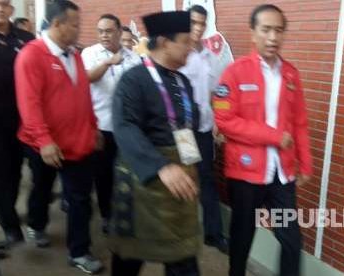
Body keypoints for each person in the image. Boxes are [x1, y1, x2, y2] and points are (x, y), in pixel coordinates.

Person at [213, 4, 313, 276]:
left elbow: (300, 123)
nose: (273, 37)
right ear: (253, 33)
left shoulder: (291, 74)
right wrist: (272, 136)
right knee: (243, 235)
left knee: (291, 239)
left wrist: (305, 164)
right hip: (246, 174)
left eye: (278, 30)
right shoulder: (235, 73)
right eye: (266, 29)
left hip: (281, 175)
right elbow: (224, 120)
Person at [109, 10, 202, 276]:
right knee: (130, 255)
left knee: (183, 256)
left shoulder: (183, 81)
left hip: (179, 181)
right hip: (143, 182)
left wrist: (190, 162)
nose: (190, 48)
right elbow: (125, 127)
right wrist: (162, 167)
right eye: (185, 41)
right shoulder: (133, 80)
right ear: (163, 42)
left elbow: (184, 128)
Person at [14, 0, 103, 273]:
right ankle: (36, 225)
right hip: (45, 145)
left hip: (77, 141)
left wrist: (93, 126)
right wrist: (44, 141)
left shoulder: (74, 54)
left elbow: (82, 94)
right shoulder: (31, 56)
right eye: (75, 25)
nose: (79, 30)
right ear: (56, 24)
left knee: (79, 198)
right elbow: (29, 104)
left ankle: (79, 251)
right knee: (42, 188)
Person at [0, 0, 34, 246]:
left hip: (23, 118)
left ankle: (8, 209)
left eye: (5, 3)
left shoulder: (25, 37)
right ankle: (9, 224)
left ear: (12, 9)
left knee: (14, 170)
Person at [81, 14, 141, 234]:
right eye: (100, 31)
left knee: (126, 172)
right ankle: (107, 214)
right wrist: (107, 62)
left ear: (118, 32)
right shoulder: (90, 54)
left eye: (108, 31)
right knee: (103, 174)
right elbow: (87, 78)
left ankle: (126, 213)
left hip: (127, 127)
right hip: (101, 126)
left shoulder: (134, 58)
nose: (104, 35)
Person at [179, 4, 228, 253]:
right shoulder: (178, 54)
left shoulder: (210, 56)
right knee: (188, 177)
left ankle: (213, 234)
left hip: (205, 129)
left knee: (208, 179)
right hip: (184, 132)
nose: (198, 28)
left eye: (202, 23)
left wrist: (218, 122)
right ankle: (182, 233)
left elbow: (215, 94)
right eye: (193, 23)